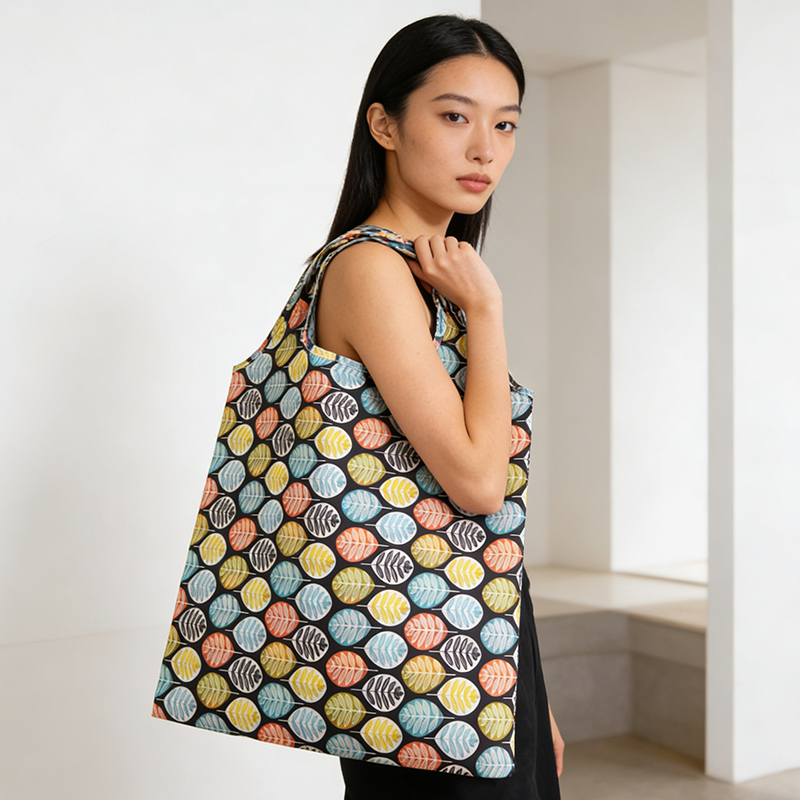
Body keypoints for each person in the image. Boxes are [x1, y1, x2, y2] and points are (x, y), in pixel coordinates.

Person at [308, 14, 565, 799]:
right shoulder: (371, 270)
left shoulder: (434, 276)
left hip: (479, 636)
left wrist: (529, 690)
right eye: (455, 117)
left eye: (505, 124)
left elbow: (483, 525)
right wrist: (487, 310)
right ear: (384, 124)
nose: (485, 149)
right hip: (416, 655)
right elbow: (481, 484)